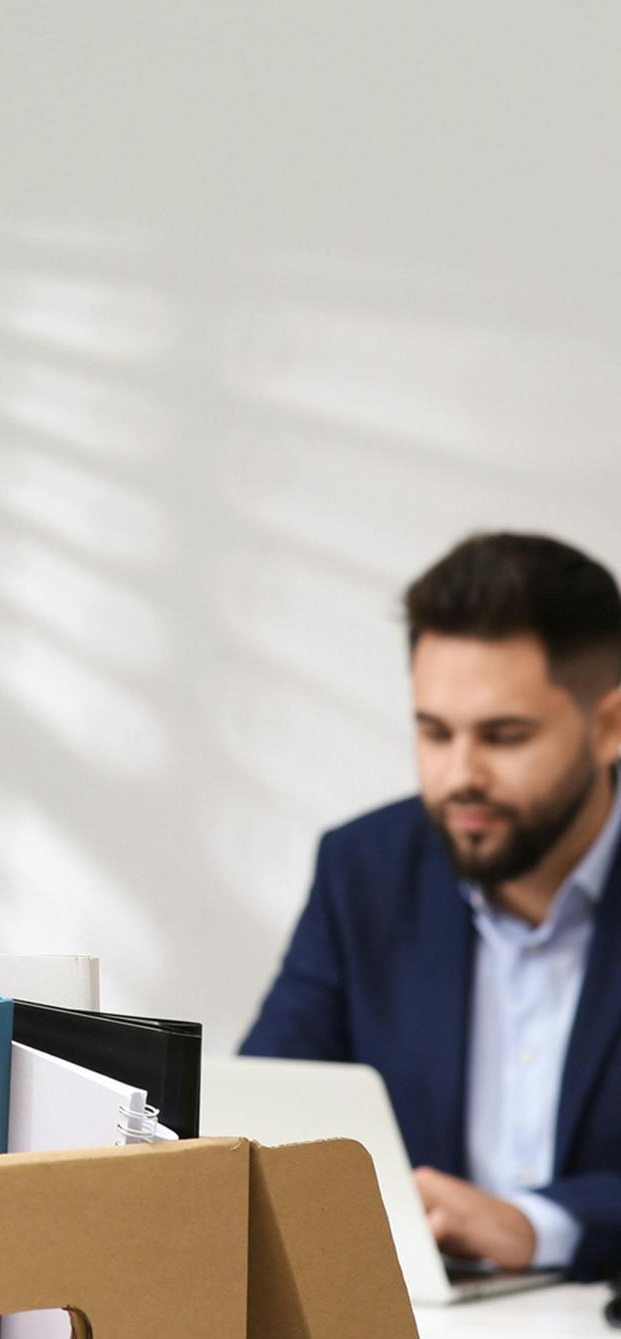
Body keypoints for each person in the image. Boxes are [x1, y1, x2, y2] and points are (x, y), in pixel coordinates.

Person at [242, 531, 621, 1288]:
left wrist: (535, 1225)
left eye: (504, 737)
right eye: (433, 732)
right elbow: (261, 1117)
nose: (458, 777)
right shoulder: (365, 871)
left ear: (609, 726)